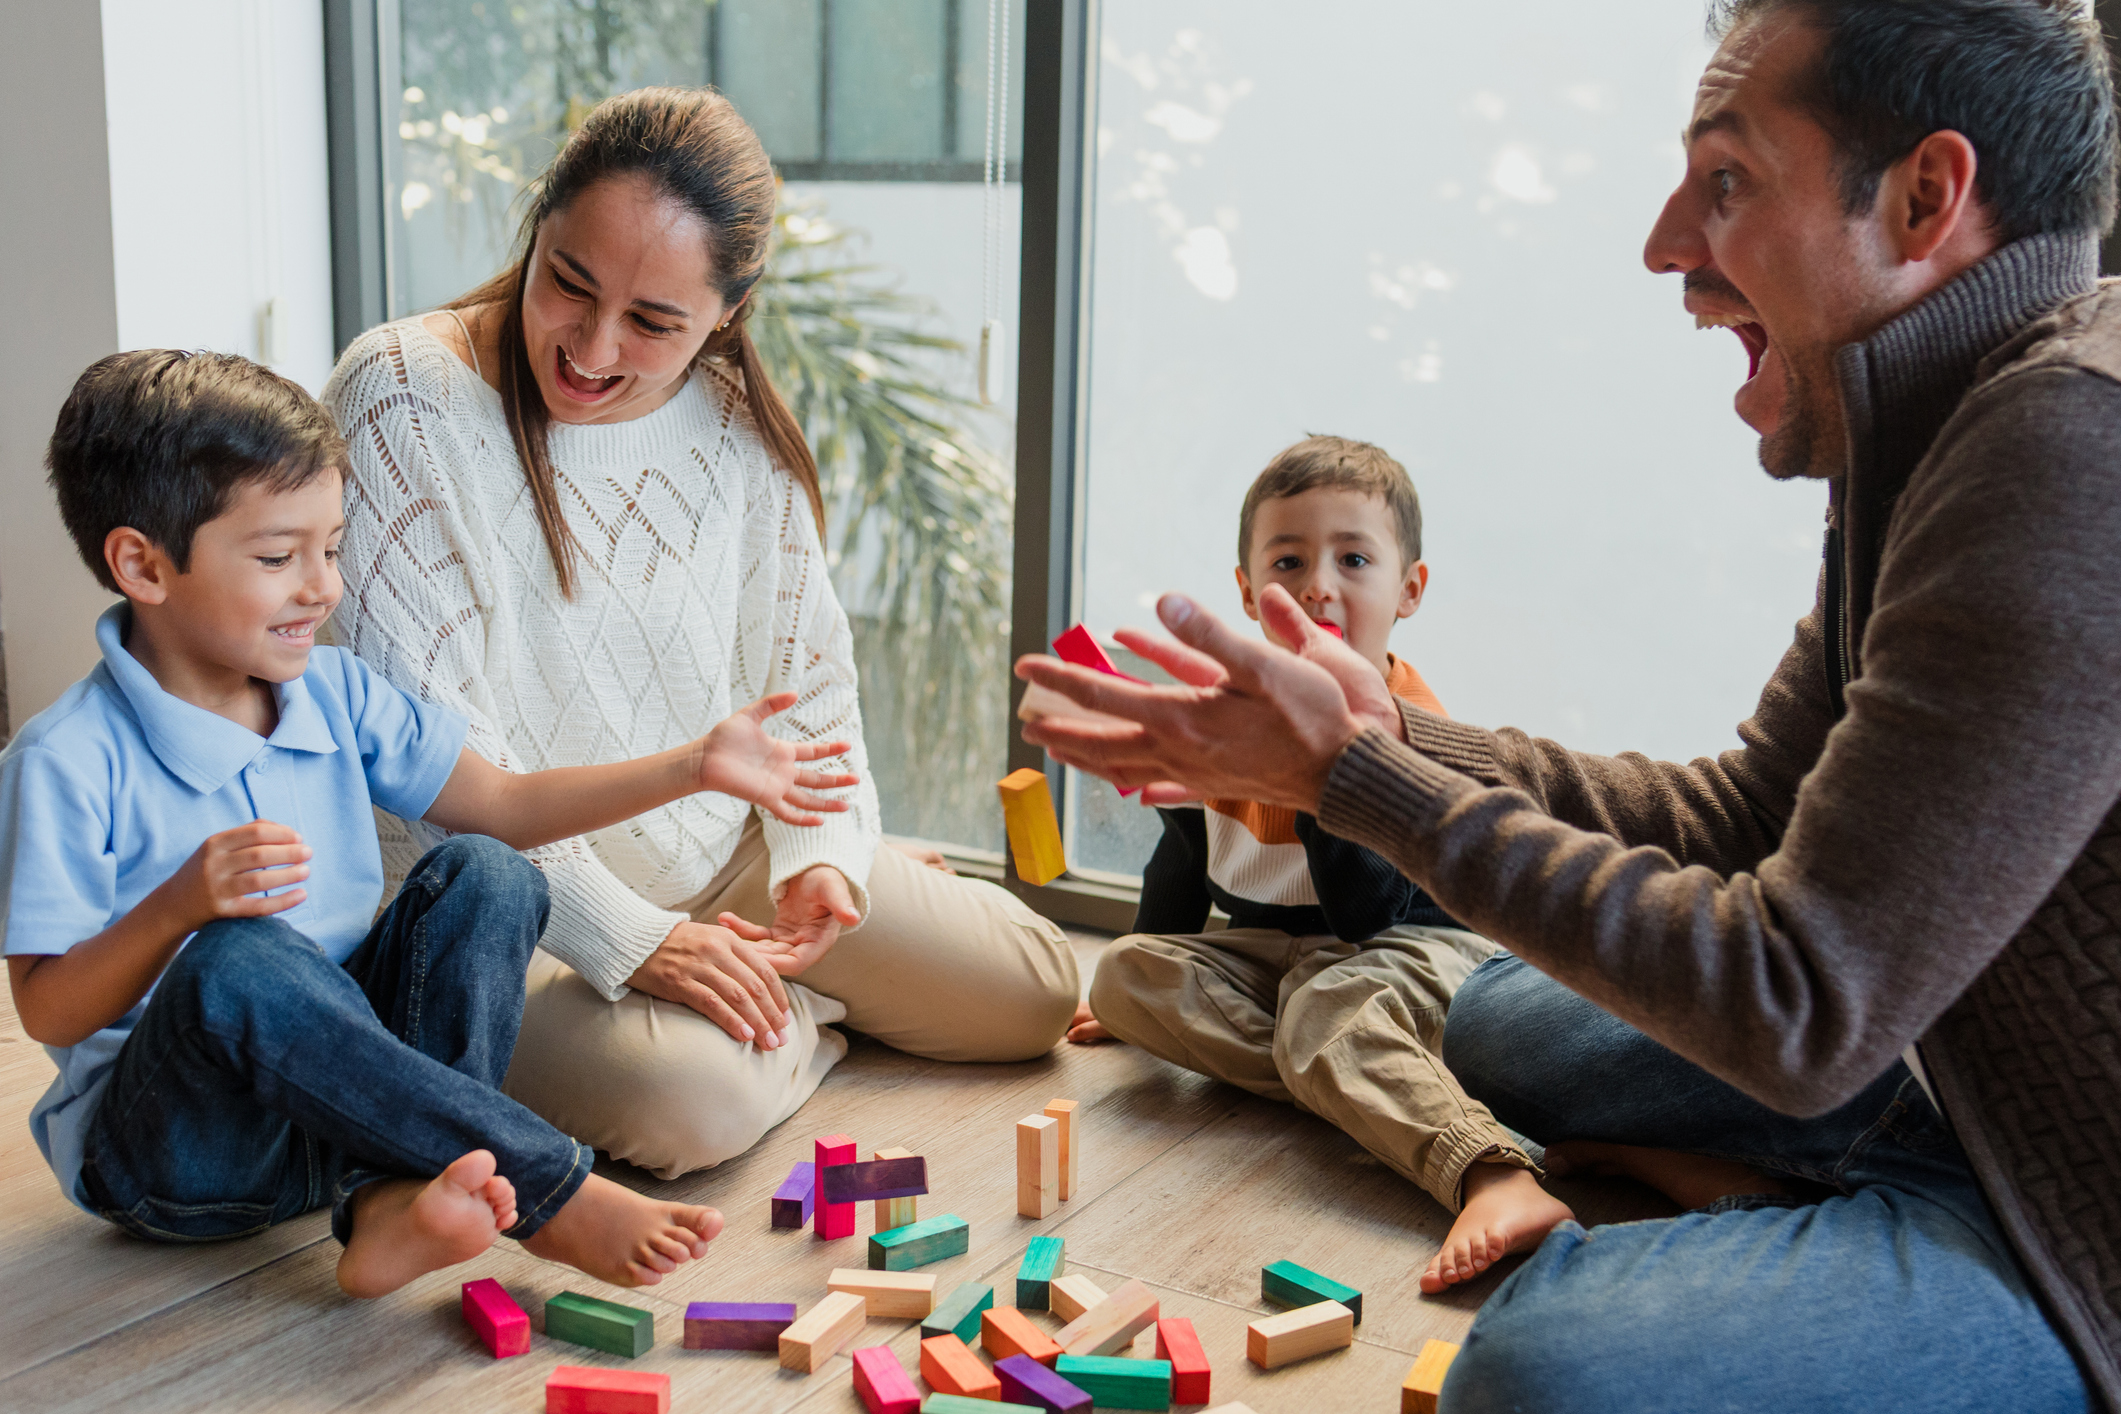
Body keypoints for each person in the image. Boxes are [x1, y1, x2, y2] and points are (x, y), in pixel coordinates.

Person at [1014, 1, 2120, 1409]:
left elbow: (1794, 996)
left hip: (2077, 1223)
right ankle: (1814, 1198)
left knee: (1541, 1368)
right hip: (1947, 1078)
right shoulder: (1927, 436)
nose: (1667, 244)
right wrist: (1400, 736)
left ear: (1924, 197)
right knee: (1493, 1023)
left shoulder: (2065, 452)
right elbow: (1739, 813)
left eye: (1726, 182)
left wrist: (1358, 779)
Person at [324, 88, 1078, 1180]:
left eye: (653, 322)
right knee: (689, 1105)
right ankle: (803, 1012)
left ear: (726, 313)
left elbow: (808, 688)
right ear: (537, 229)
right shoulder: (402, 399)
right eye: (568, 282)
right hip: (505, 914)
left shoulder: (730, 416)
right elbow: (440, 781)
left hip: (722, 856)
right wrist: (639, 942)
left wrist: (821, 863)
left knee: (1035, 985)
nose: (589, 348)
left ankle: (786, 989)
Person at [3, 349, 861, 1299]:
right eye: (279, 558)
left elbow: (501, 806)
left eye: (331, 548)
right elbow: (48, 1007)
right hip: (180, 1156)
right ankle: (546, 1188)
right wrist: (176, 907)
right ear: (141, 565)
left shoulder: (331, 693)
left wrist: (692, 766)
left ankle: (390, 1201)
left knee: (491, 873)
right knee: (236, 957)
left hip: (343, 1116)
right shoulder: (64, 760)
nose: (322, 587)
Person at [1064, 436, 1569, 1292]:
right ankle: (1358, 1079)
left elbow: (1370, 916)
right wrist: (1133, 990)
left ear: (1407, 591)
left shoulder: (1409, 724)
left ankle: (1494, 1173)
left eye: (1353, 559)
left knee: (1329, 1004)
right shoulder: (1220, 720)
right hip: (1291, 963)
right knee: (1125, 973)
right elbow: (1180, 862)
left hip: (1419, 947)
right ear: (1244, 590)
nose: (1316, 585)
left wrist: (1324, 773)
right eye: (1288, 559)